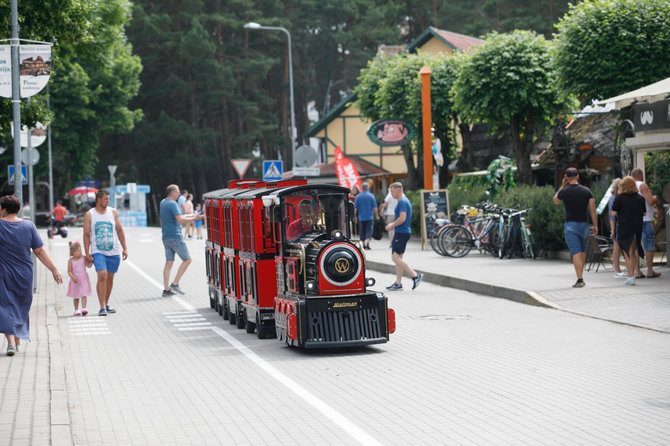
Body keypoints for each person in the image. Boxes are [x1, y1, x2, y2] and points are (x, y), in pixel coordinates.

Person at [0, 195, 62, 356]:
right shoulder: (28, 226)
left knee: (5, 306)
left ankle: (13, 340)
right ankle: (14, 340)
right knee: (20, 305)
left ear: (4, 209)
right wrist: (54, 269)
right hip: (24, 275)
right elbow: (39, 251)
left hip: (4, 273)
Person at [83, 190, 128, 316]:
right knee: (102, 275)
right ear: (99, 199)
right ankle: (102, 306)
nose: (108, 201)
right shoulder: (89, 214)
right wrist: (87, 252)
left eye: (109, 199)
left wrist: (125, 248)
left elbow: (119, 230)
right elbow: (86, 235)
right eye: (106, 199)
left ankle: (106, 303)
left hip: (113, 250)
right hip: (98, 251)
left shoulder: (113, 212)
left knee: (110, 278)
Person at [553, 167, 597, 288]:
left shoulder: (565, 191)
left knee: (576, 252)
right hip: (584, 225)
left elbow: (555, 200)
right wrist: (595, 225)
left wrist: (562, 186)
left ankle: (579, 279)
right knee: (582, 252)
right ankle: (581, 276)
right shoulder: (587, 191)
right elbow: (593, 210)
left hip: (570, 225)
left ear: (566, 178)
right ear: (577, 177)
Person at [160, 184, 205, 296]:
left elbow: (179, 217)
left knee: (169, 263)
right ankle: (175, 284)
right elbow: (180, 220)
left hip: (166, 236)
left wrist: (192, 216)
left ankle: (166, 290)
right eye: (178, 192)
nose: (179, 194)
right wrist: (195, 218)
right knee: (187, 260)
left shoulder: (163, 202)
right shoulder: (173, 204)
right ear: (173, 192)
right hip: (175, 236)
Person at [384, 182, 422, 291]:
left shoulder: (402, 202)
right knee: (399, 258)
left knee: (394, 258)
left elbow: (402, 218)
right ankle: (398, 283)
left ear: (398, 190)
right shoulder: (404, 201)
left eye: (392, 191)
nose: (391, 194)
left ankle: (415, 276)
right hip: (403, 232)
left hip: (401, 232)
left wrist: (392, 225)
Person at [611, 176, 646, 286]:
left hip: (625, 228)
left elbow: (613, 213)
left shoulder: (619, 198)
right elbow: (644, 213)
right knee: (634, 251)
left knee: (627, 252)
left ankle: (631, 276)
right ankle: (633, 274)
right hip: (637, 228)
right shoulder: (640, 198)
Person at [631, 168, 661, 279]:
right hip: (645, 219)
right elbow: (650, 201)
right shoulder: (642, 185)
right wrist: (655, 198)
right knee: (649, 245)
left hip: (633, 221)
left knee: (635, 246)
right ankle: (649, 271)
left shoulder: (628, 186)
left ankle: (637, 271)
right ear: (641, 175)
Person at [607, 178, 627, 278]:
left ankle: (619, 270)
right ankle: (617, 271)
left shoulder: (614, 197)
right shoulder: (614, 198)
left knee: (618, 248)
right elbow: (612, 216)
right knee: (617, 248)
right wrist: (613, 230)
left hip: (620, 225)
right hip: (619, 225)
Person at [67, 241, 92, 316]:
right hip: (75, 280)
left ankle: (84, 308)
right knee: (76, 296)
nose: (80, 252)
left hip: (83, 278)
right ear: (73, 252)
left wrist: (91, 261)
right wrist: (73, 277)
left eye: (80, 250)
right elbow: (69, 271)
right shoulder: (70, 261)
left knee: (84, 294)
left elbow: (88, 266)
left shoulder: (83, 258)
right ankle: (76, 309)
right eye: (78, 251)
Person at [354, 182, 378, 250]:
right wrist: (377, 215)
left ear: (361, 188)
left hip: (361, 217)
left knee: (362, 230)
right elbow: (375, 207)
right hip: (369, 217)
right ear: (368, 188)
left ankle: (363, 244)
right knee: (369, 230)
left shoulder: (358, 196)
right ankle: (367, 242)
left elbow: (355, 208)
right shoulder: (371, 196)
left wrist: (355, 216)